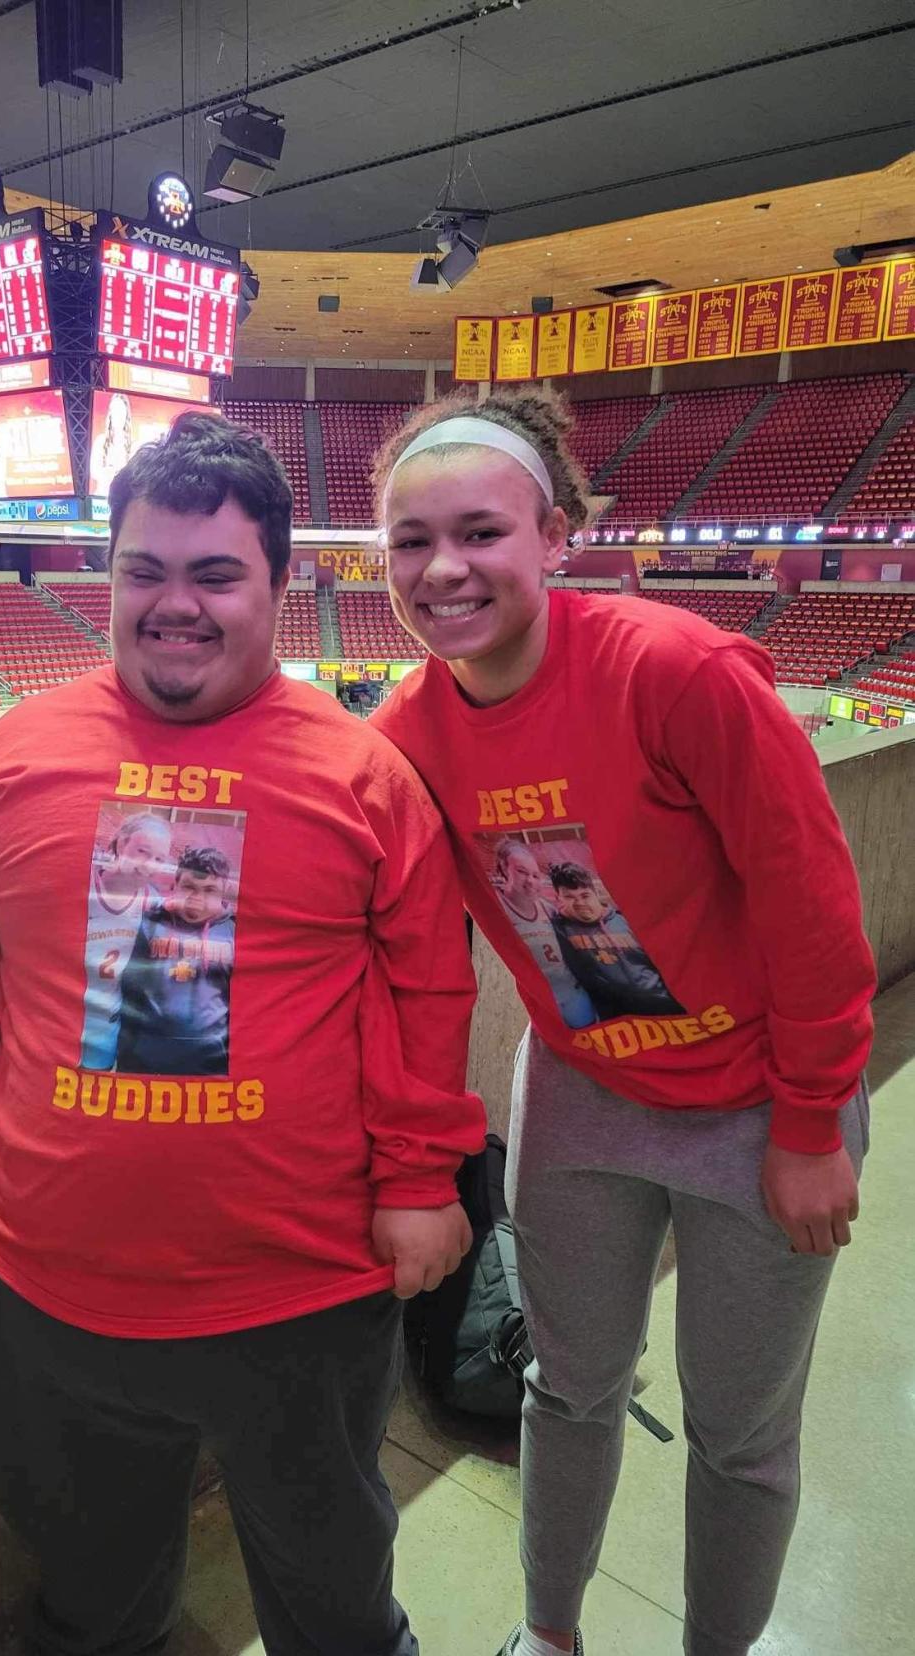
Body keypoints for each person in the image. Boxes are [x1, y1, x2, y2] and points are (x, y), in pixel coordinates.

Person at [0, 411, 484, 1656]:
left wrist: (422, 1179)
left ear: (282, 581)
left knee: (333, 1600)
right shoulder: (16, 752)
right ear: (110, 577)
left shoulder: (364, 777)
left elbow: (429, 990)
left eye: (215, 575)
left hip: (300, 1292)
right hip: (51, 1283)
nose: (176, 605)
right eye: (145, 571)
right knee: (90, 1593)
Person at [368, 388, 874, 1656]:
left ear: (555, 535)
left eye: (480, 533)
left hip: (767, 1106)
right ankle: (549, 1634)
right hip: (585, 1100)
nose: (444, 569)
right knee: (567, 1390)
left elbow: (815, 912)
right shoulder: (407, 735)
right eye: (410, 542)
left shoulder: (677, 671)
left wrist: (812, 1123)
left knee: (741, 1434)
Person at [116, 843, 236, 1076]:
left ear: (224, 890)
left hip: (210, 1063)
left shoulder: (234, 931)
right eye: (189, 887)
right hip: (145, 1059)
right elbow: (130, 990)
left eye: (210, 889)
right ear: (175, 884)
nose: (197, 898)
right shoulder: (150, 922)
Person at [80, 810, 174, 1070]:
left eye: (159, 858)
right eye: (143, 851)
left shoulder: (154, 906)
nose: (148, 864)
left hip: (104, 1037)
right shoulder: (81, 883)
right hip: (56, 1025)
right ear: (122, 843)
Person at [544, 860, 684, 1021]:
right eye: (569, 897)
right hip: (617, 1020)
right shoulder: (559, 929)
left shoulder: (627, 920)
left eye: (585, 895)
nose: (580, 903)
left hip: (667, 1007)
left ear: (595, 892)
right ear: (558, 898)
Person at [490, 840, 596, 1029]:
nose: (530, 881)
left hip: (573, 996)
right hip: (542, 1004)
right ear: (503, 870)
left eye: (535, 875)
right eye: (521, 872)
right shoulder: (495, 906)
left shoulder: (548, 909)